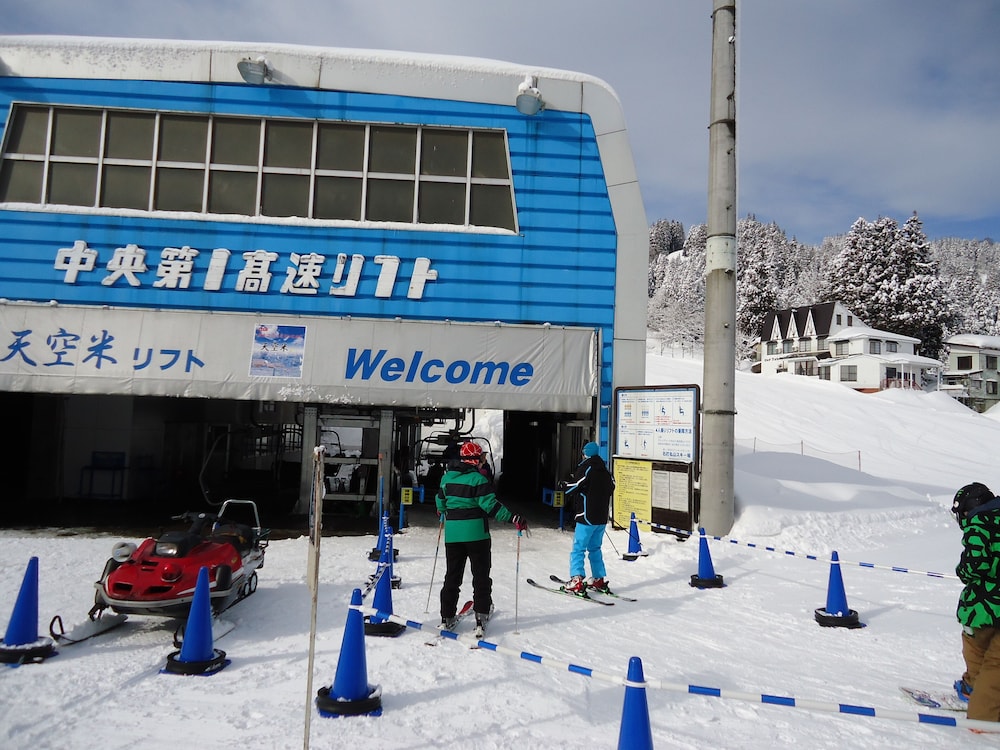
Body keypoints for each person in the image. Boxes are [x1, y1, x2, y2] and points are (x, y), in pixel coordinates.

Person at [437, 441, 528, 631]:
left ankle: (447, 616)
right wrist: (513, 518)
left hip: (452, 535)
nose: (483, 460)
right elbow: (491, 506)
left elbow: (441, 501)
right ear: (475, 459)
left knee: (452, 575)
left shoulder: (446, 478)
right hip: (477, 534)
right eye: (482, 457)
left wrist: (442, 510)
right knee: (480, 576)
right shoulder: (478, 480)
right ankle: (481, 615)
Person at [952, 481, 1000, 721]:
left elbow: (975, 565)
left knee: (976, 646)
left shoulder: (979, 524)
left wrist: (962, 570)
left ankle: (973, 690)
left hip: (984, 606)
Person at [561, 441, 615, 595]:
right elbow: (612, 486)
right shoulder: (605, 470)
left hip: (586, 516)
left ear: (585, 453)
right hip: (601, 517)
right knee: (595, 548)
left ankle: (576, 580)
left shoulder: (587, 467)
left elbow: (576, 485)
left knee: (578, 548)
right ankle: (598, 579)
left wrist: (564, 486)